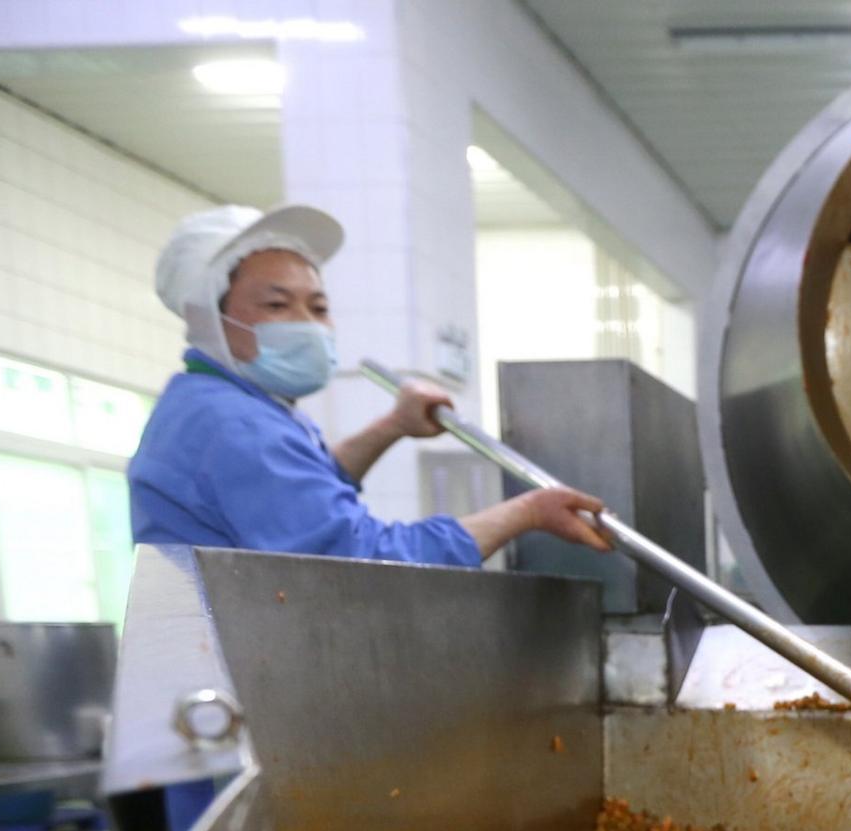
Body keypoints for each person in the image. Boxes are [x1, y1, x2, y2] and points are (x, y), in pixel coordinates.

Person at [129, 203, 606, 564]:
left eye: (318, 307)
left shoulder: (223, 405)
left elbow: (307, 493)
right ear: (209, 320)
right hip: (223, 675)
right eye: (277, 306)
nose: (308, 326)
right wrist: (525, 513)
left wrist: (394, 425)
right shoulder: (232, 424)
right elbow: (360, 558)